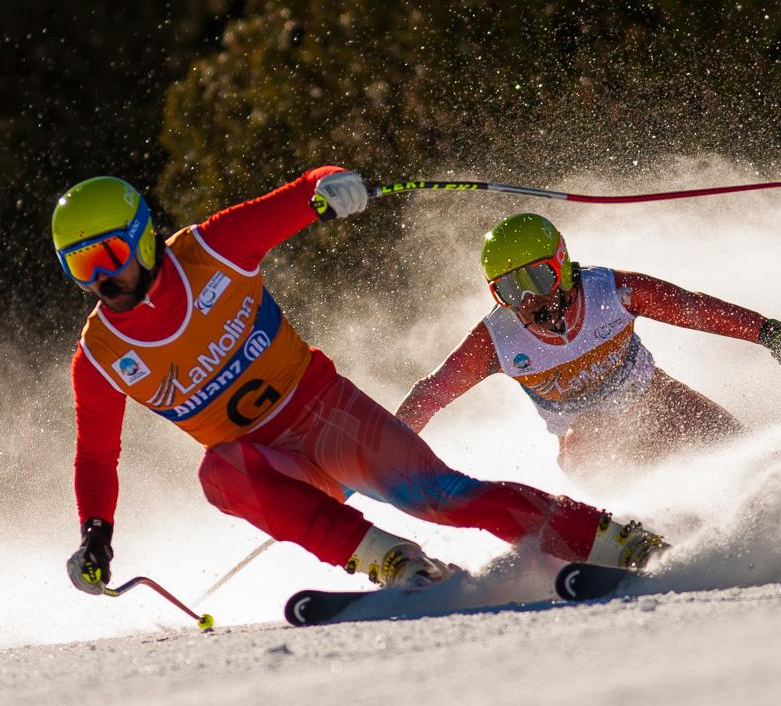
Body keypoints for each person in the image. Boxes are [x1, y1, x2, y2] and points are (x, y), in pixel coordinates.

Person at [55, 170, 670, 598]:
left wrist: (331, 188)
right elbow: (96, 456)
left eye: (108, 253)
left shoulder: (213, 251)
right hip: (278, 465)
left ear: (140, 234)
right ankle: (401, 567)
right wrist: (97, 537)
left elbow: (304, 191)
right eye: (82, 265)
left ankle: (617, 542)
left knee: (445, 497)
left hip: (327, 414)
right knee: (220, 473)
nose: (102, 277)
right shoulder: (103, 355)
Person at [395, 213, 781, 477]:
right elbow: (430, 393)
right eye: (509, 290)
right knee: (595, 430)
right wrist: (384, 450)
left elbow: (692, 308)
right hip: (588, 444)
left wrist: (772, 334)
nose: (529, 301)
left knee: (738, 449)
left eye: (538, 279)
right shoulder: (496, 341)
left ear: (561, 266)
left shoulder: (610, 292)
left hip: (657, 400)